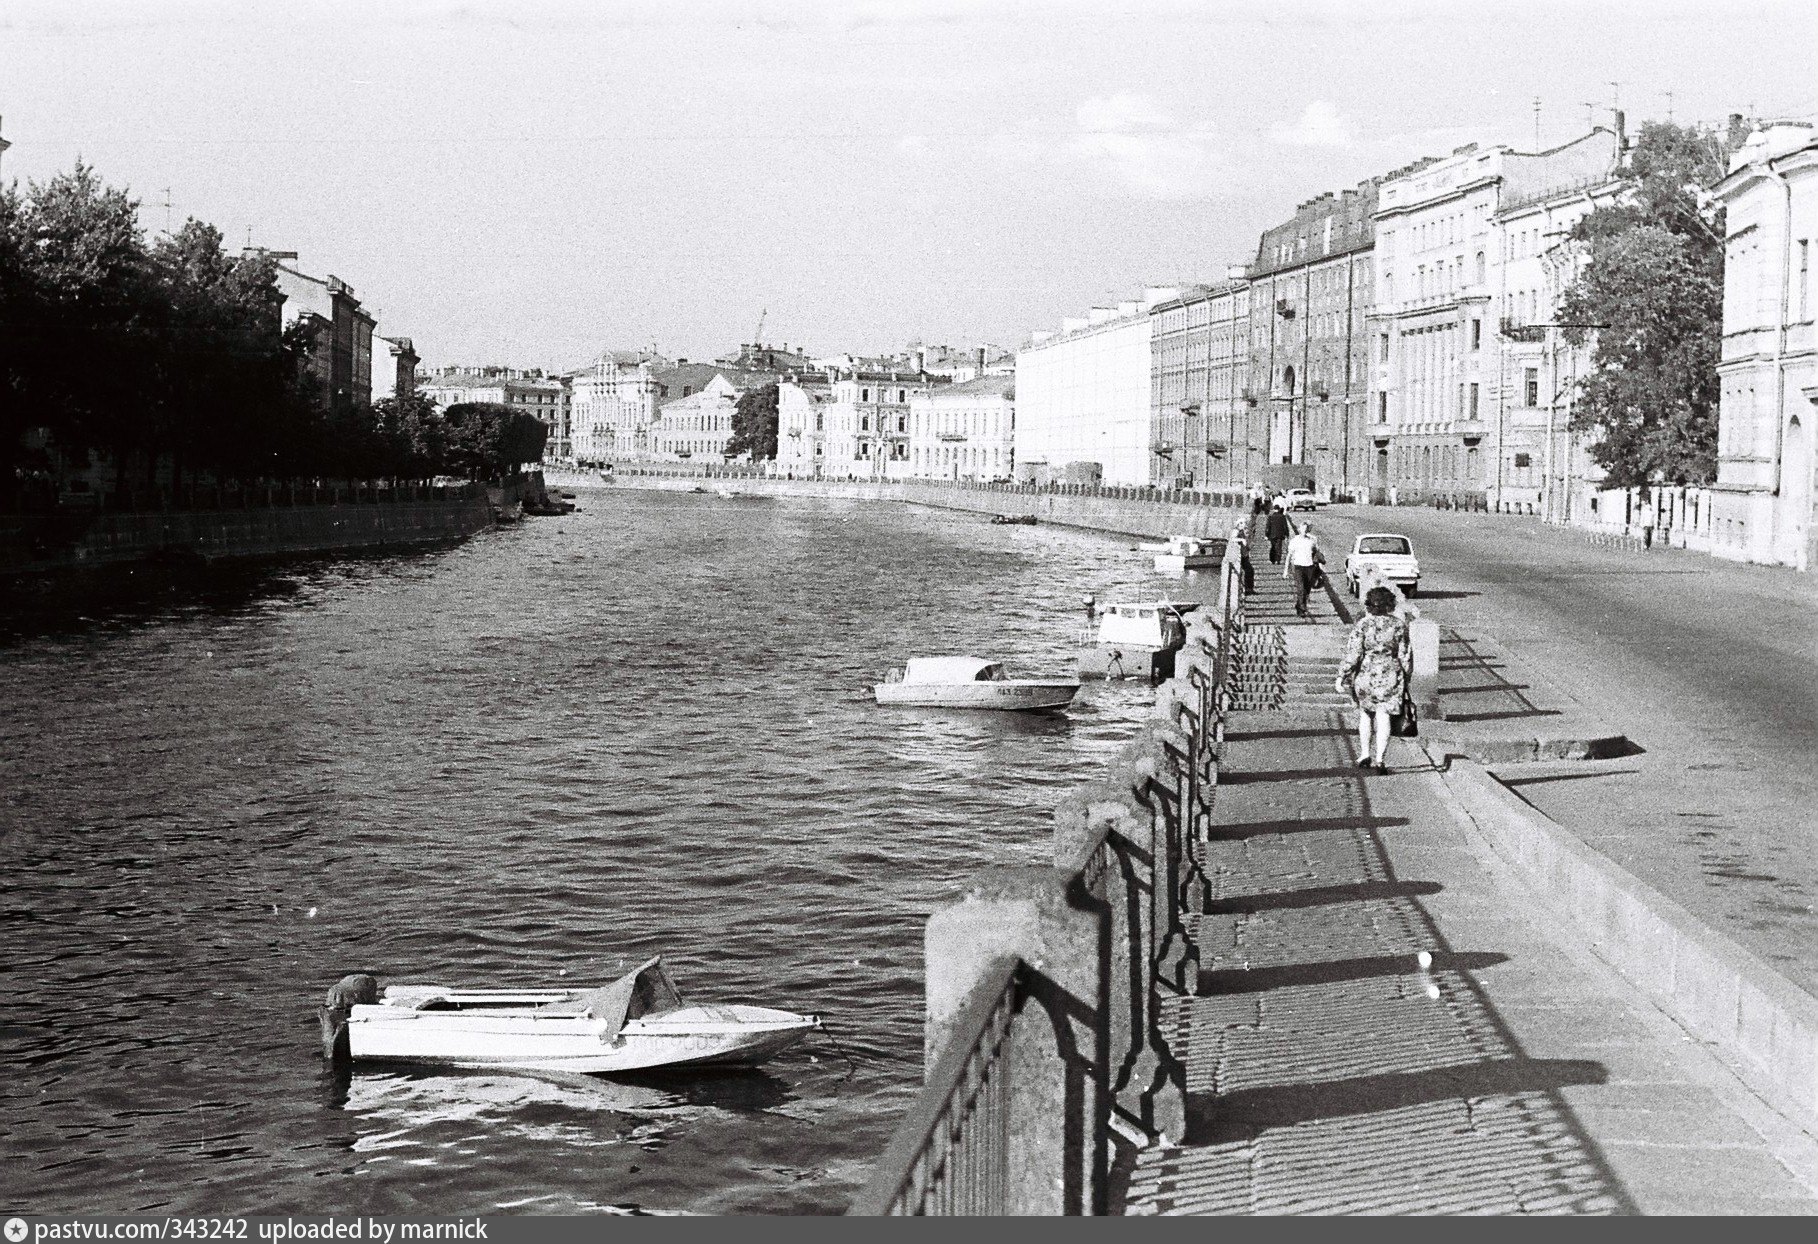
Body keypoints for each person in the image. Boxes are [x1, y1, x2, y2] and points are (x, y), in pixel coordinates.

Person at [1336, 586, 1413, 774]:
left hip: (1366, 674)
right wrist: (1406, 677)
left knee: (1365, 714)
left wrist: (1342, 675)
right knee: (1384, 716)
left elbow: (1353, 653)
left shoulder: (1363, 625)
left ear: (1369, 605)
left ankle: (1364, 754)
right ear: (1390, 604)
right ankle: (1380, 759)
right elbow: (1405, 655)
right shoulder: (1398, 625)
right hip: (1390, 675)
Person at [1281, 521, 1323, 617]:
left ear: (1308, 530)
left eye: (1306, 529)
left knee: (1307, 590)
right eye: (1302, 529)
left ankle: (1299, 606)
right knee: (1300, 588)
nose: (1304, 531)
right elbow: (1289, 556)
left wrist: (1320, 569)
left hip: (1310, 567)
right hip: (1298, 567)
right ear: (1299, 529)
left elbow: (1317, 554)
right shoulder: (1294, 541)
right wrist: (1285, 570)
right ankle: (1302, 608)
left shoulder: (1312, 540)